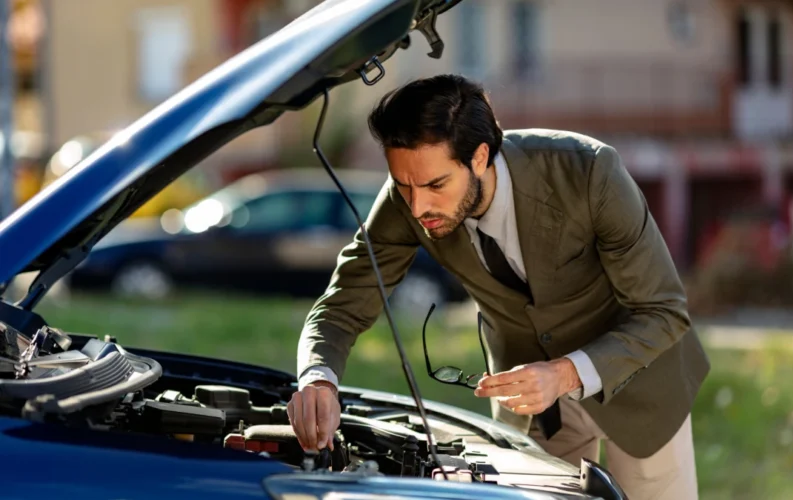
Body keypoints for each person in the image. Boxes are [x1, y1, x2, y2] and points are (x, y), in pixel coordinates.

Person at [288, 74, 710, 499]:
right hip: (534, 408)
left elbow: (663, 311)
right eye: (403, 186)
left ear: (480, 156)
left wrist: (564, 374)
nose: (417, 207)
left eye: (436, 185)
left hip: (640, 384)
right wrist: (317, 378)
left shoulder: (590, 172)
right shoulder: (409, 198)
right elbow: (341, 304)